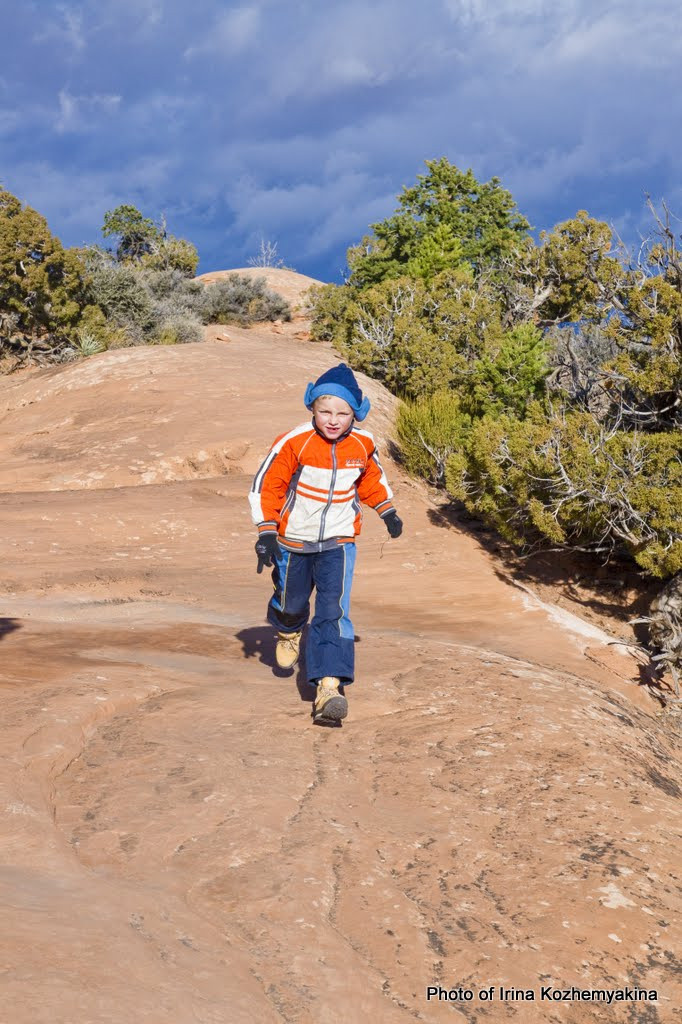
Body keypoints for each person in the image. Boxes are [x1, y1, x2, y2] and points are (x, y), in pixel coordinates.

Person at [249, 363, 402, 724]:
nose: (333, 420)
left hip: (339, 540)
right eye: (325, 411)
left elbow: (371, 480)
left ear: (355, 414)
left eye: (342, 413)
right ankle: (287, 629)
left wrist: (387, 510)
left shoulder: (363, 444)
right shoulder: (294, 442)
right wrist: (267, 531)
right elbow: (266, 485)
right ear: (312, 408)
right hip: (293, 539)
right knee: (293, 601)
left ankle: (329, 688)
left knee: (333, 612)